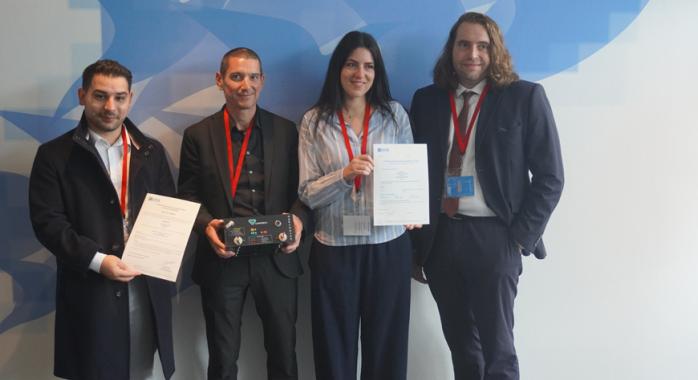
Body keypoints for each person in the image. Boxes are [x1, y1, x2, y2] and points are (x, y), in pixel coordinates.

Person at [409, 12, 564, 380]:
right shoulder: (427, 101)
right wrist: (418, 245)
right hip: (443, 239)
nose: (473, 54)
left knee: (499, 353)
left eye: (482, 45)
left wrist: (518, 238)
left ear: (495, 51)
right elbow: (415, 175)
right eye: (464, 45)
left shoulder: (524, 97)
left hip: (496, 238)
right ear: (452, 51)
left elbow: (550, 176)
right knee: (462, 349)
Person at [28, 59, 176, 380]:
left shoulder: (151, 151)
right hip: (90, 288)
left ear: (130, 98)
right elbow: (48, 224)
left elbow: (168, 211)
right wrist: (98, 261)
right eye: (100, 96)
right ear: (82, 95)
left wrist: (159, 253)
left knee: (141, 371)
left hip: (145, 284)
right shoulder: (53, 156)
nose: (111, 106)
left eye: (119, 97)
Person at [177, 47, 308, 380]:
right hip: (224, 258)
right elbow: (188, 195)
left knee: (284, 354)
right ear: (220, 80)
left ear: (262, 81)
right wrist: (206, 226)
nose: (245, 85)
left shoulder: (286, 131)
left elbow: (304, 191)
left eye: (252, 77)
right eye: (236, 76)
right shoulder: (197, 136)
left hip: (277, 258)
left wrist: (298, 220)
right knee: (222, 358)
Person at [298, 31, 417, 380]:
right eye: (351, 64)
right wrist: (344, 175)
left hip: (388, 247)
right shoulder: (314, 121)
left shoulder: (394, 115)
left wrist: (410, 208)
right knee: (334, 351)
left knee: (388, 350)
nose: (359, 74)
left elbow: (408, 172)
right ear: (338, 68)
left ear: (377, 72)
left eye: (368, 66)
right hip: (334, 250)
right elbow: (306, 192)